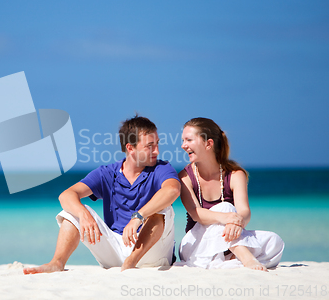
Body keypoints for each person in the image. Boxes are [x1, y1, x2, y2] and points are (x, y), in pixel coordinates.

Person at [23, 115, 181, 274]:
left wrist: (138, 217)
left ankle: (131, 262)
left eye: (157, 144)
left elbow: (172, 190)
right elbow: (67, 195)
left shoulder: (162, 168)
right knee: (71, 211)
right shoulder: (107, 173)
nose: (157, 151)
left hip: (152, 253)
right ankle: (57, 263)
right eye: (150, 145)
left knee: (163, 210)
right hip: (115, 252)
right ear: (130, 148)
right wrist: (83, 214)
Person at [178, 117, 284, 271]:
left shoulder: (235, 174)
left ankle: (229, 260)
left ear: (208, 144)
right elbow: (196, 214)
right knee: (225, 207)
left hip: (229, 241)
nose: (183, 145)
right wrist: (227, 217)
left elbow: (244, 212)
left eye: (188, 140)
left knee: (275, 241)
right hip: (196, 246)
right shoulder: (185, 177)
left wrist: (237, 222)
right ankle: (246, 258)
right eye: (183, 140)